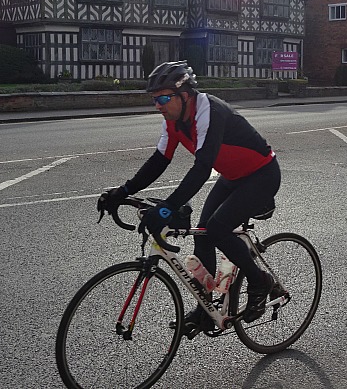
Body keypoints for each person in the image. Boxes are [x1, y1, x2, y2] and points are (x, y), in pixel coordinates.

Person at [98, 60, 281, 333]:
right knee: (203, 232)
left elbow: (202, 167)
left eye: (162, 98)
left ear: (184, 96)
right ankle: (206, 310)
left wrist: (166, 208)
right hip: (232, 177)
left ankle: (260, 281)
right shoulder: (173, 121)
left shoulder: (209, 111)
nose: (158, 105)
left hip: (262, 175)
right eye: (154, 100)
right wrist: (123, 191)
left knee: (218, 229)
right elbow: (159, 160)